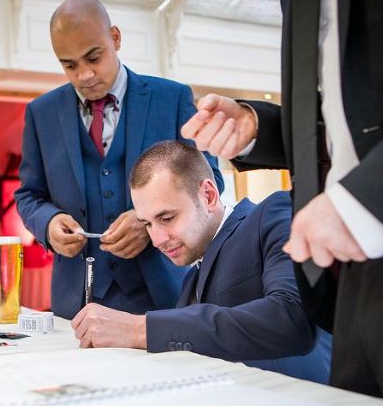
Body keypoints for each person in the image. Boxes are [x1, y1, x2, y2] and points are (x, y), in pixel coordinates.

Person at [180, 0, 383, 406]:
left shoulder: (264, 219)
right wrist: (259, 126)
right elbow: (346, 116)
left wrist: (371, 199)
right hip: (347, 278)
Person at [15, 0, 224, 319]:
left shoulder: (172, 98)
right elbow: (29, 194)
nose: (84, 75)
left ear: (115, 38)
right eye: (69, 65)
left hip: (166, 294)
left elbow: (210, 182)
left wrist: (147, 220)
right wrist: (48, 223)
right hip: (76, 302)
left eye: (93, 57)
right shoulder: (41, 114)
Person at [72, 141, 331, 382]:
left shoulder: (271, 214)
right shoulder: (189, 284)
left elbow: (290, 317)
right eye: (147, 224)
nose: (157, 239)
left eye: (167, 218)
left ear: (208, 195)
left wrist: (139, 328)